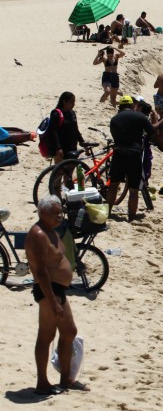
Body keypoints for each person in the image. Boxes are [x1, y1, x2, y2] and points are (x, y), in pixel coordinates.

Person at [27, 195, 89, 395]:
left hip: (58, 289)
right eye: (56, 213)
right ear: (43, 212)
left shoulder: (52, 231)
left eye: (61, 212)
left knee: (69, 331)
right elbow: (41, 271)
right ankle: (42, 383)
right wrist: (53, 301)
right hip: (48, 290)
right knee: (46, 335)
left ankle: (66, 379)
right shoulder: (38, 234)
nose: (60, 216)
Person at [107, 96, 158, 221]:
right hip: (134, 154)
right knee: (133, 190)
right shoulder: (140, 117)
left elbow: (114, 135)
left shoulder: (115, 119)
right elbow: (152, 132)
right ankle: (131, 217)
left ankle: (107, 212)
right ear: (132, 105)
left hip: (119, 153)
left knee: (113, 185)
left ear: (120, 106)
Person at [47, 92, 85, 164]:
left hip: (72, 147)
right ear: (64, 102)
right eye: (71, 102)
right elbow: (53, 132)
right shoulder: (56, 113)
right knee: (59, 169)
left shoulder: (72, 113)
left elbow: (76, 129)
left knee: (71, 168)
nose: (73, 104)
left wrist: (82, 142)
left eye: (74, 102)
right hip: (61, 147)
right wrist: (58, 148)